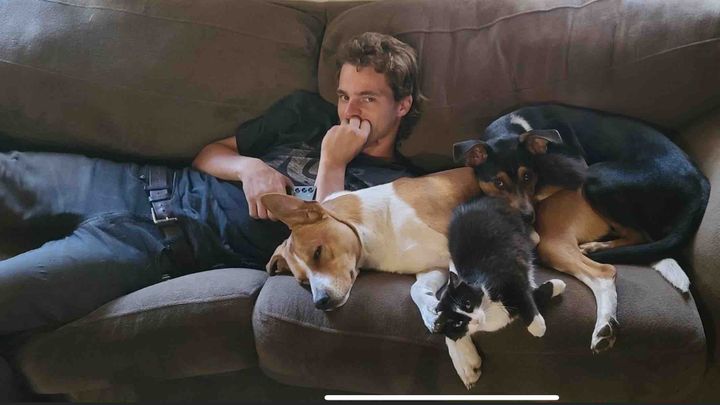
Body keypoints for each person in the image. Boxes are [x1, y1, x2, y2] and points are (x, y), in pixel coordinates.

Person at [0, 32, 424, 395]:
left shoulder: (393, 187)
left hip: (151, 246)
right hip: (135, 182)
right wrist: (248, 167)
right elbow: (209, 155)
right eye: (344, 96)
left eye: (367, 99)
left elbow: (324, 244)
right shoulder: (306, 114)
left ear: (402, 105)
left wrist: (333, 162)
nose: (349, 112)